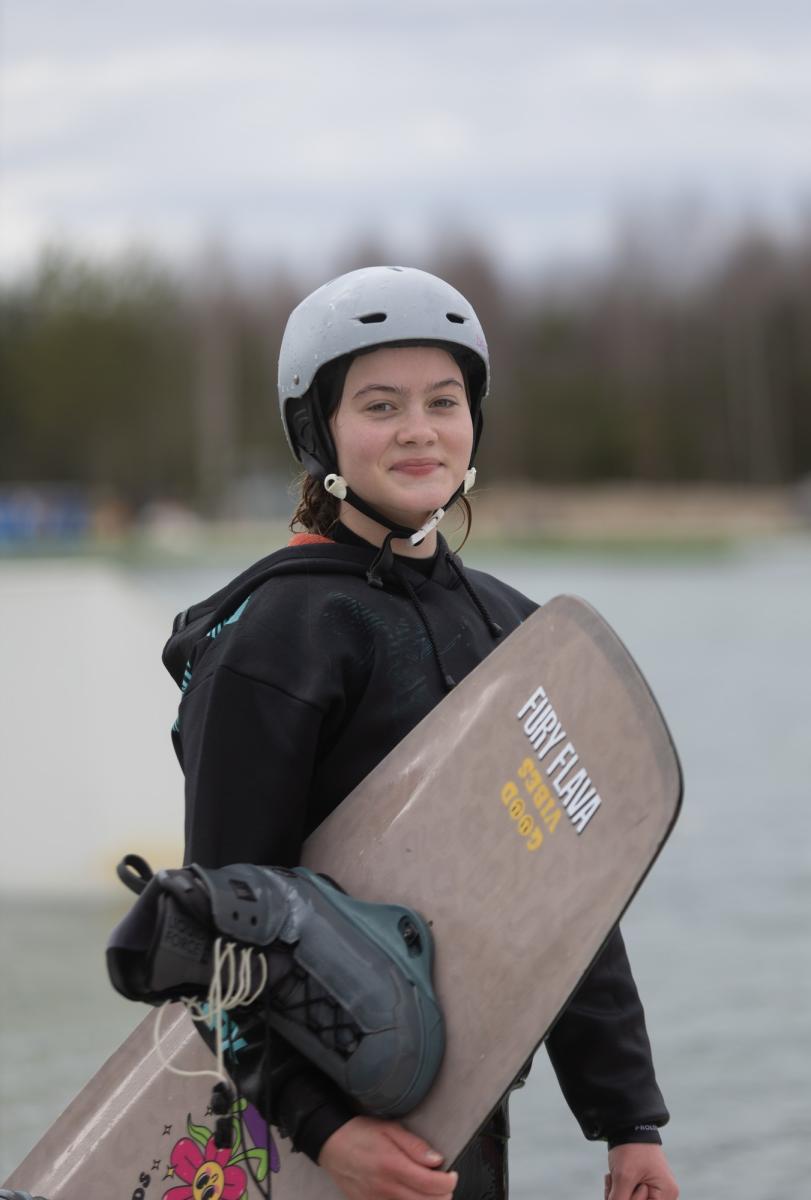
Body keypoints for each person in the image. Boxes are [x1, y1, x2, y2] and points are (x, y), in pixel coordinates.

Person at [164, 266, 679, 1200]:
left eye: (443, 401)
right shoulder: (276, 638)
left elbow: (568, 902)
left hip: (462, 1120)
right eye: (379, 405)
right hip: (310, 1126)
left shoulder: (514, 629)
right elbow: (218, 931)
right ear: (319, 430)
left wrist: (627, 1123)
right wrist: (325, 1132)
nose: (418, 429)